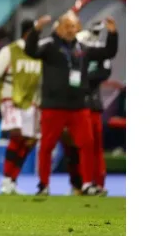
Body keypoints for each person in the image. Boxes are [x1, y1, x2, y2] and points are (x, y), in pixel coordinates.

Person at [24, 12, 118, 196]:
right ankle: (43, 184)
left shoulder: (83, 48)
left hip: (78, 105)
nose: (69, 29)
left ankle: (87, 184)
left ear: (79, 28)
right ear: (58, 27)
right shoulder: (49, 45)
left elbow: (108, 52)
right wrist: (36, 30)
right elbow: (31, 51)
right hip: (53, 105)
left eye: (73, 26)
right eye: (66, 25)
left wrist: (113, 34)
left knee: (87, 144)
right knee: (47, 145)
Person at [0, 19, 42, 195]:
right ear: (28, 33)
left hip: (31, 103)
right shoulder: (10, 50)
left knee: (28, 142)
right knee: (16, 136)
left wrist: (40, 104)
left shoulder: (39, 53)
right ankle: (5, 180)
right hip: (10, 99)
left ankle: (12, 180)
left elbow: (39, 81)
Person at [77, 21, 112, 196]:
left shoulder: (99, 49)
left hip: (91, 104)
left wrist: (84, 79)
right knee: (84, 146)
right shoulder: (79, 44)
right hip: (78, 104)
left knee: (93, 145)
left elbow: (105, 72)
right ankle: (84, 183)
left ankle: (95, 182)